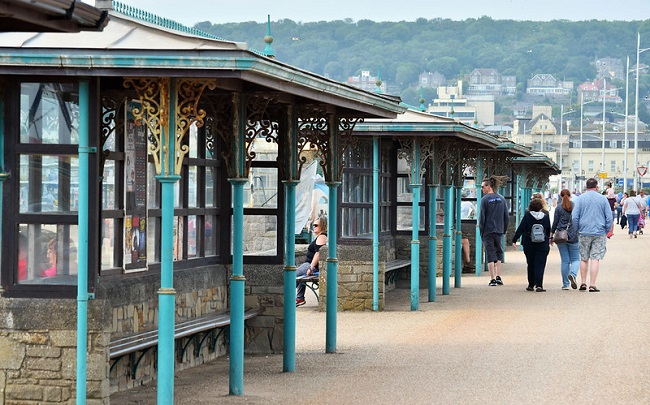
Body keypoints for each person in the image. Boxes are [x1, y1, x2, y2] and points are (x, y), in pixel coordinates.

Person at [572, 178, 612, 292]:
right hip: (599, 232)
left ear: (586, 187)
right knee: (595, 258)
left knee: (584, 258)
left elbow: (575, 217)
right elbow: (609, 217)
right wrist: (606, 229)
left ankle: (583, 282)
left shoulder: (580, 199)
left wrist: (577, 230)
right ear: (597, 187)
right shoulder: (603, 199)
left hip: (583, 231)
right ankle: (592, 284)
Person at [512, 199, 551, 292]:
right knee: (540, 264)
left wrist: (514, 240)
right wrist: (549, 239)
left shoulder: (527, 216)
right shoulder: (545, 217)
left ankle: (530, 284)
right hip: (542, 244)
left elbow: (521, 229)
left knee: (530, 264)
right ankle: (539, 285)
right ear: (541, 207)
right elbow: (548, 230)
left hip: (529, 243)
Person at [479, 176, 509, 287]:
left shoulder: (484, 200)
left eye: (483, 187)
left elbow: (482, 218)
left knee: (490, 253)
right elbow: (506, 216)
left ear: (488, 186)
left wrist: (481, 232)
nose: (482, 189)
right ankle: (498, 276)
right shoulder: (501, 199)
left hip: (487, 230)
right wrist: (504, 229)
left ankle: (492, 279)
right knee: (499, 252)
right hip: (499, 230)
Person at [551, 189, 580, 290]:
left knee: (565, 261)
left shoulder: (558, 208)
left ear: (561, 196)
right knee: (576, 259)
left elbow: (554, 223)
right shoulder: (575, 207)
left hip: (561, 236)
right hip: (573, 235)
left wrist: (551, 236)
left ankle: (565, 284)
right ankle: (573, 274)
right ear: (570, 196)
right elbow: (578, 221)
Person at [296, 216, 327, 306]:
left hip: (310, 265)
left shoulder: (322, 237)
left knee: (293, 275)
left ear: (322, 226)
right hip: (309, 264)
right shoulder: (319, 237)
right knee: (300, 275)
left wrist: (311, 267)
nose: (314, 227)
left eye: (316, 225)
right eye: (313, 225)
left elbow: (318, 253)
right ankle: (299, 298)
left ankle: (287, 297)